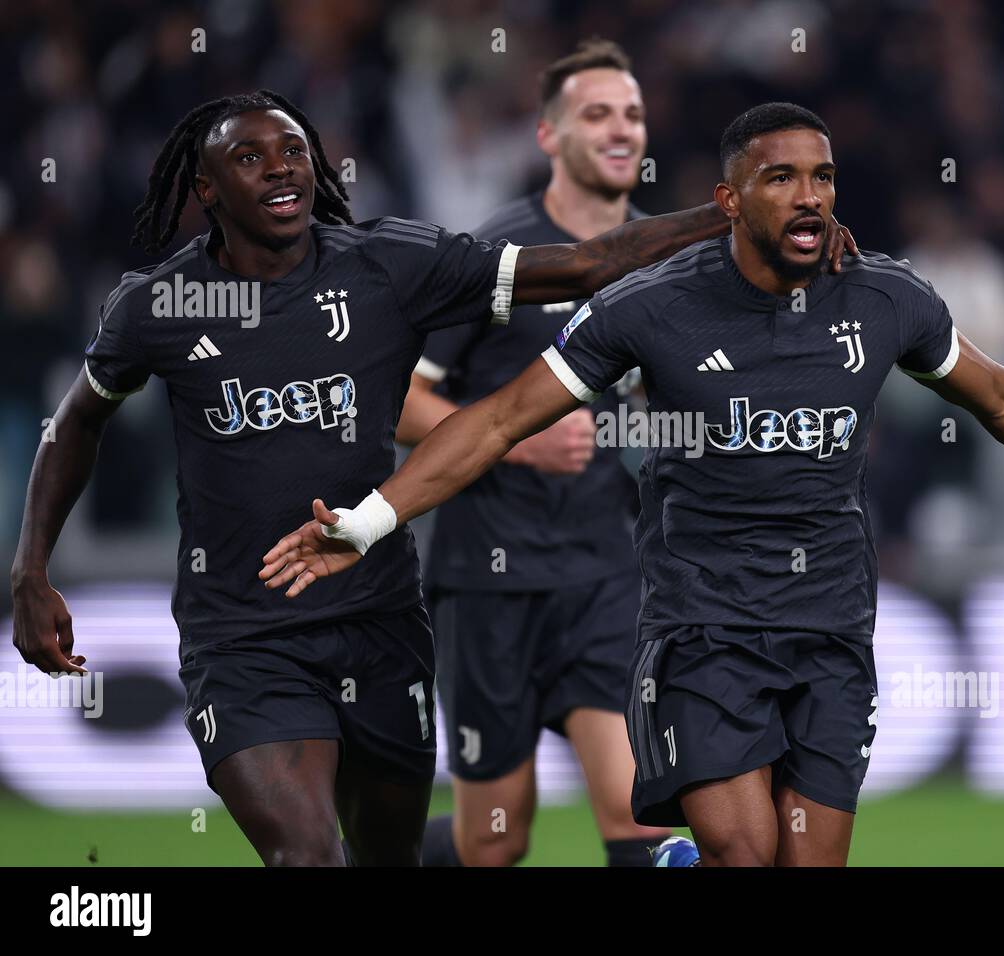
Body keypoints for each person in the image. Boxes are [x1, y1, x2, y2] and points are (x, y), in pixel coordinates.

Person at [261, 103, 1004, 867]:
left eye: (822, 176)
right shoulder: (648, 309)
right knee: (737, 848)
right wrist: (371, 517)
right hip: (701, 635)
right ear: (730, 201)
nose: (809, 196)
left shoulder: (885, 295)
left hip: (829, 633)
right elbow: (500, 417)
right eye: (780, 178)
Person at [9, 89, 853, 866]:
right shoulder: (160, 306)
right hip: (242, 636)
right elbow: (78, 420)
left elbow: (588, 264)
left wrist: (741, 218)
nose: (282, 169)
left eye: (296, 152)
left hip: (381, 623)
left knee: (395, 858)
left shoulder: (390, 265)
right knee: (308, 856)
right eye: (252, 157)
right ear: (205, 188)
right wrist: (31, 568)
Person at [396, 40, 671, 867]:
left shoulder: (671, 259)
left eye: (631, 114)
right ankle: (355, 856)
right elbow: (400, 399)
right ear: (549, 137)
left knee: (638, 815)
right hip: (490, 580)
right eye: (596, 115)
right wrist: (518, 439)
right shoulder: (497, 257)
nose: (620, 130)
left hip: (609, 576)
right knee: (494, 842)